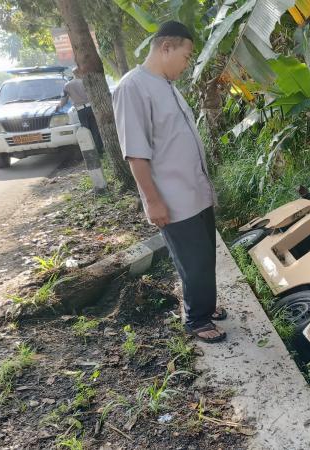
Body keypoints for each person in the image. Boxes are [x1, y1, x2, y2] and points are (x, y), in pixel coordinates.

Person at [112, 21, 226, 343]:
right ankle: (197, 319)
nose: (187, 63)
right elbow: (136, 153)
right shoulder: (133, 87)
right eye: (186, 55)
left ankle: (206, 304)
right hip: (173, 197)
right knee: (192, 262)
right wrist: (152, 200)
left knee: (205, 256)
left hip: (195, 192)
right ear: (166, 48)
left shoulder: (167, 86)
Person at [57, 68, 103, 152]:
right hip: (91, 108)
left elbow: (64, 100)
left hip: (80, 110)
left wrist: (59, 107)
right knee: (95, 129)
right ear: (80, 73)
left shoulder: (67, 85)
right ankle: (99, 150)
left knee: (86, 130)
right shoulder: (85, 82)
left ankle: (91, 150)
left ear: (73, 74)